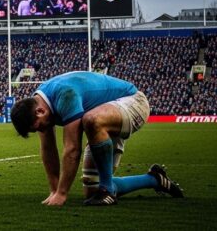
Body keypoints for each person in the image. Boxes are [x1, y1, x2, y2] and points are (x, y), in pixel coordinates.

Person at [10, 71, 184, 206]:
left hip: (133, 101)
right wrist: (54, 191)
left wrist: (62, 194)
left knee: (91, 120)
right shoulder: (39, 104)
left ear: (40, 111)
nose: (41, 130)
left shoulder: (65, 95)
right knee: (92, 191)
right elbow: (48, 150)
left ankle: (108, 190)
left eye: (39, 127)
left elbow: (72, 149)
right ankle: (154, 179)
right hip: (106, 113)